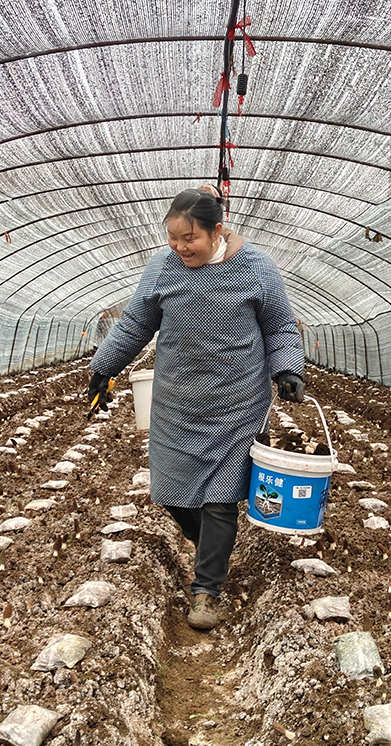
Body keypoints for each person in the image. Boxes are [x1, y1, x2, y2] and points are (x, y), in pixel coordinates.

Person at [88, 185, 305, 630]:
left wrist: (288, 369)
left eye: (190, 238)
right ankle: (210, 545)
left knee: (220, 500)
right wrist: (103, 368)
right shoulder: (162, 268)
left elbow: (280, 326)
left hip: (237, 403)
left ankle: (207, 590)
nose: (180, 246)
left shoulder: (257, 267)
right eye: (172, 237)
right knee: (169, 492)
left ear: (216, 231)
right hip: (177, 401)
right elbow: (134, 325)